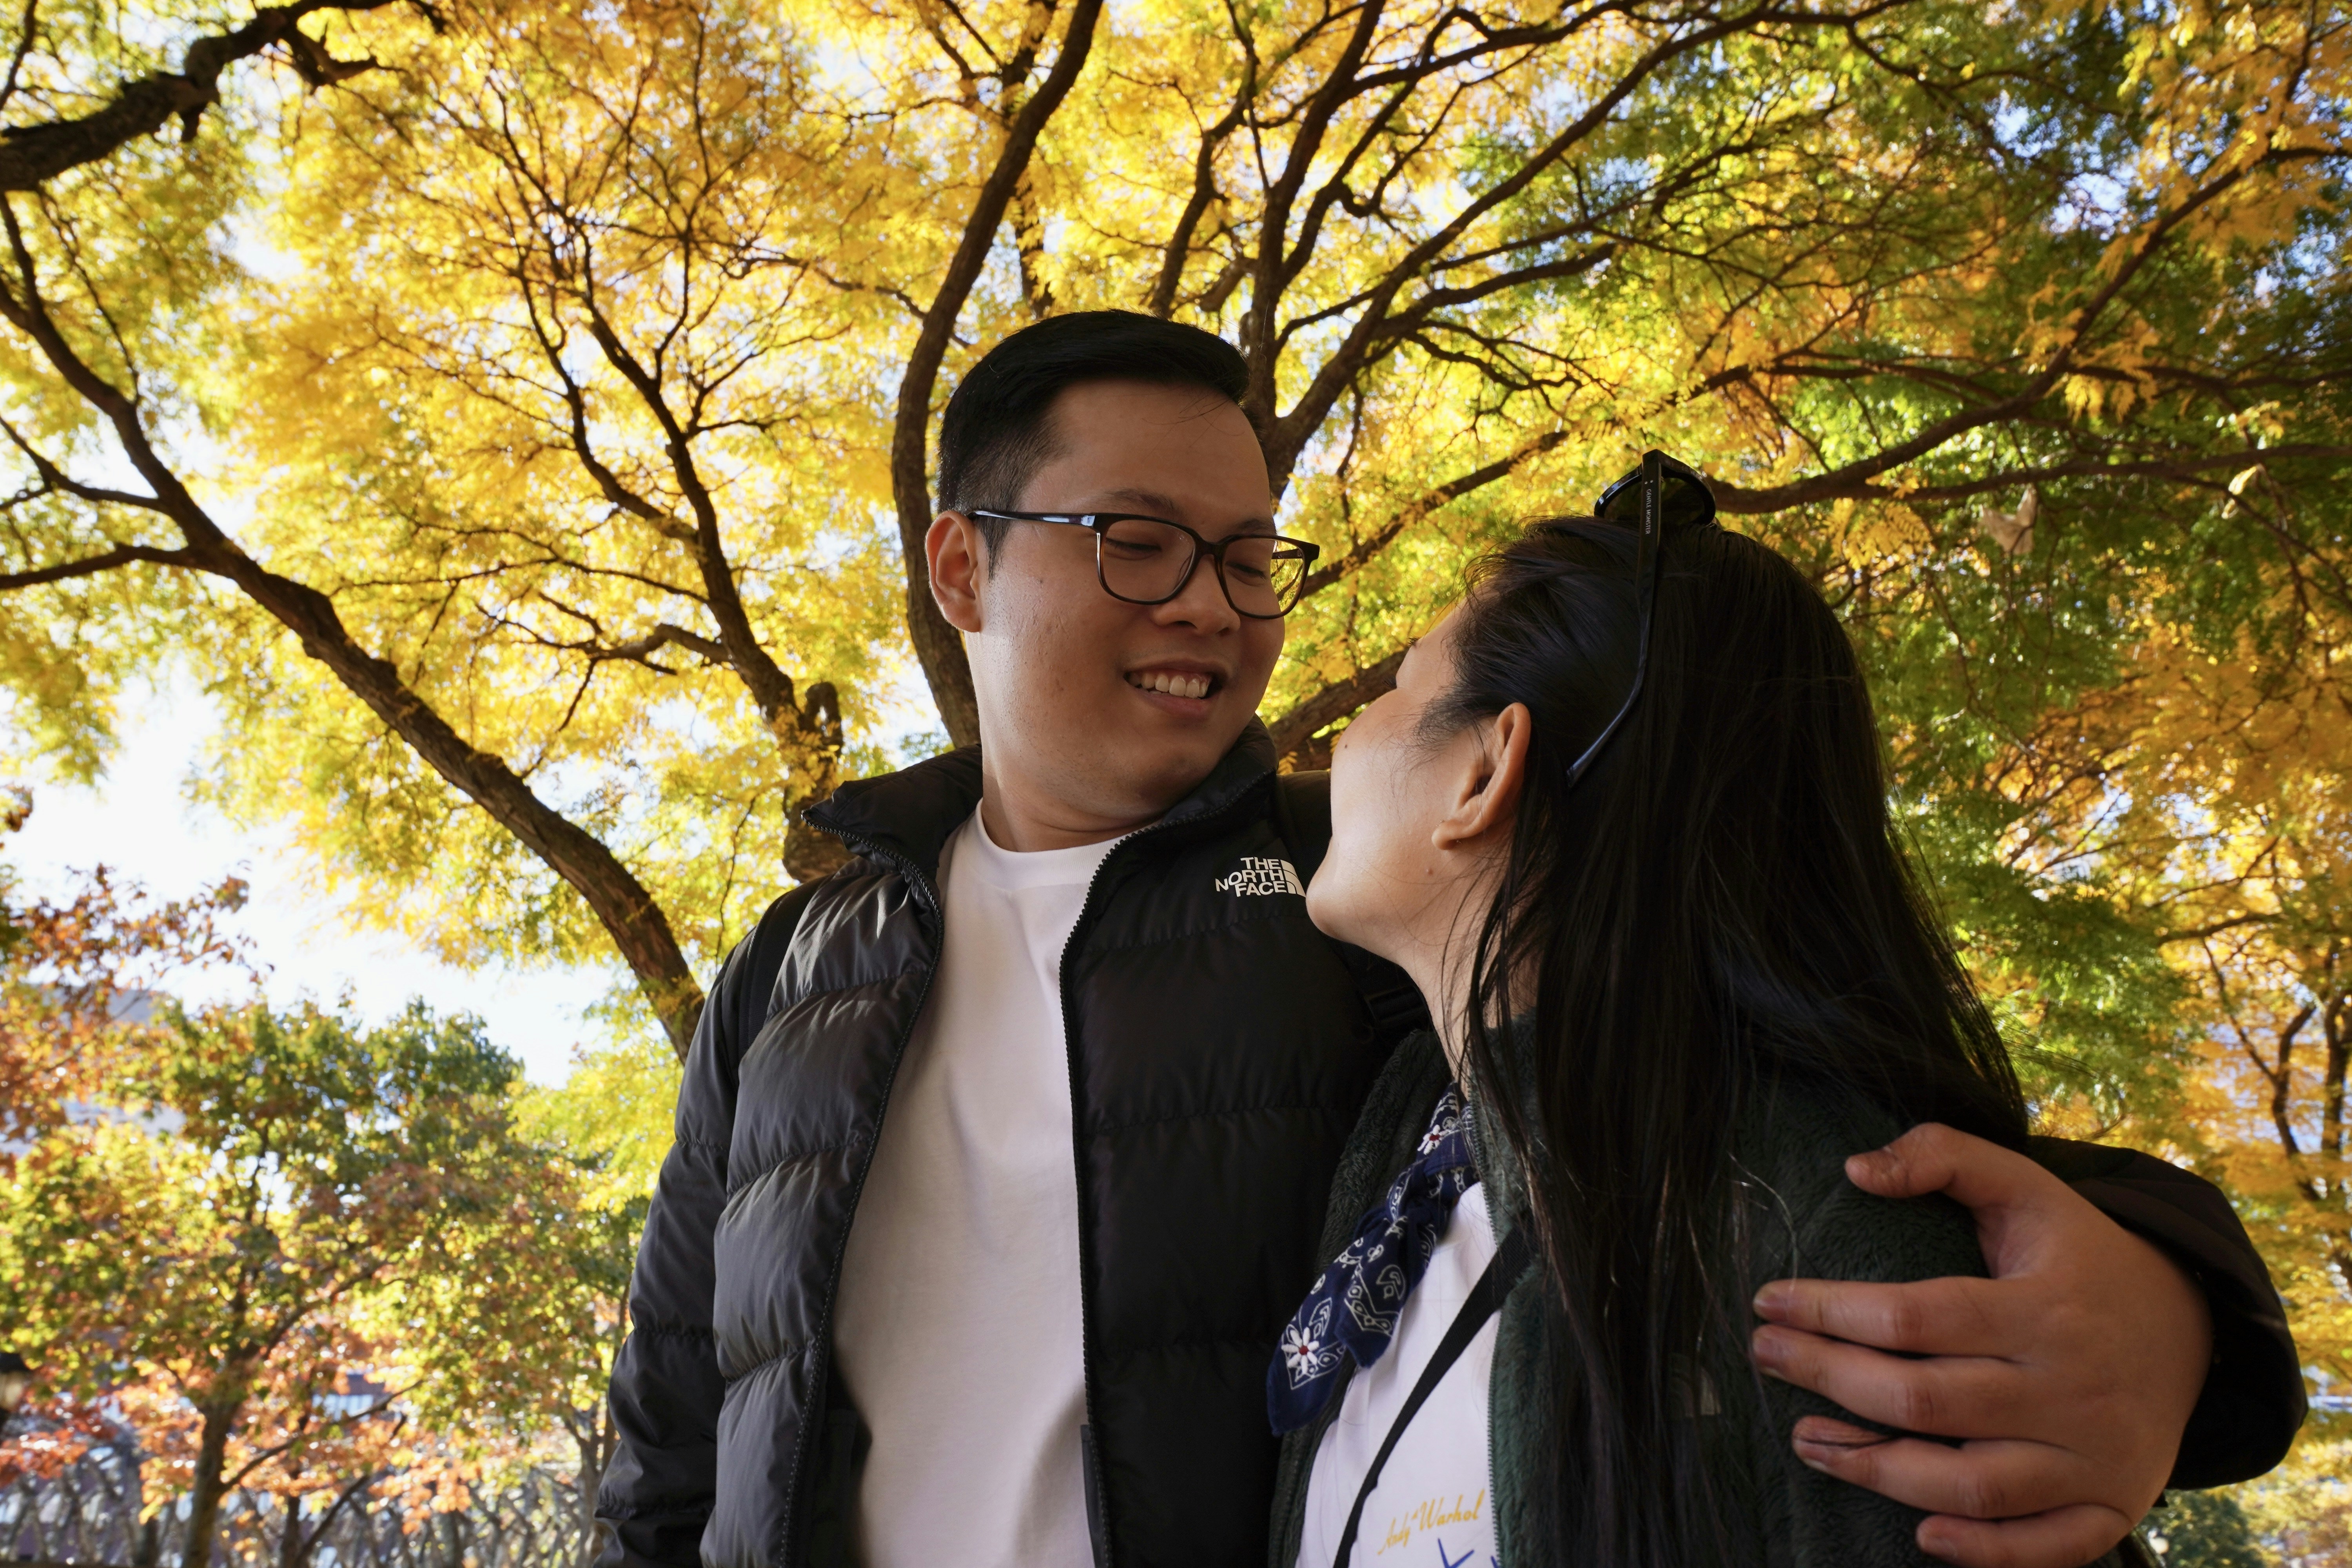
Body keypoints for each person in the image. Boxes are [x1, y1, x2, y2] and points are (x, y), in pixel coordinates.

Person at [594, 317, 2302, 1568]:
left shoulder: (1359, 896)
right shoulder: (792, 974)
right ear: (961, 567)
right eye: (1138, 543)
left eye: (1253, 555)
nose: (1216, 602)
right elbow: (671, 1447)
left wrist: (2174, 1303)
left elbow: (1750, 1066)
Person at [1269, 457, 2295, 1566]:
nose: (1333, 743)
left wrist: (2185, 1305)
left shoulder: (1817, 1253)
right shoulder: (1407, 1150)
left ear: (1483, 775)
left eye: (1393, 688)